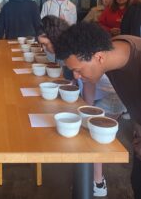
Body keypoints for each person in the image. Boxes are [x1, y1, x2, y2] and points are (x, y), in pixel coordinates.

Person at [53, 21, 141, 199]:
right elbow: (89, 83)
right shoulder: (110, 53)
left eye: (78, 71)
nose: (77, 76)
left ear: (98, 57)